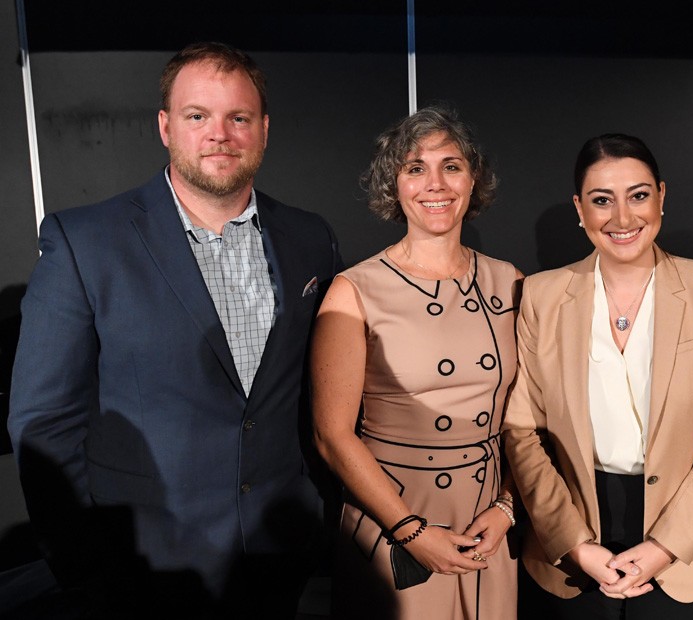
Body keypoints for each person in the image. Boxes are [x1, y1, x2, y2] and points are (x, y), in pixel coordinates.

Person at [7, 42, 343, 617]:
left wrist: (320, 515)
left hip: (279, 554)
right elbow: (43, 422)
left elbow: (318, 394)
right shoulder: (85, 242)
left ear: (264, 129)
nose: (220, 134)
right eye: (198, 116)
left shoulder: (311, 238)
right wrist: (83, 565)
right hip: (142, 567)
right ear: (165, 126)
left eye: (239, 117)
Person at [503, 134, 693, 619]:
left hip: (689, 544)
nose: (622, 218)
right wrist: (573, 543)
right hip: (570, 538)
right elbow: (521, 432)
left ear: (661, 195)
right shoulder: (541, 295)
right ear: (580, 209)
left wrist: (665, 545)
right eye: (602, 201)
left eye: (638, 195)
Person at [311, 106, 521, 619]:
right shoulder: (354, 290)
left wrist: (508, 509)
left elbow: (529, 416)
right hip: (396, 522)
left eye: (451, 166)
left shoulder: (510, 281)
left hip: (487, 527)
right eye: (415, 168)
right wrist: (411, 530)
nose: (436, 184)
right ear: (394, 185)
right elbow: (332, 437)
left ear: (474, 179)